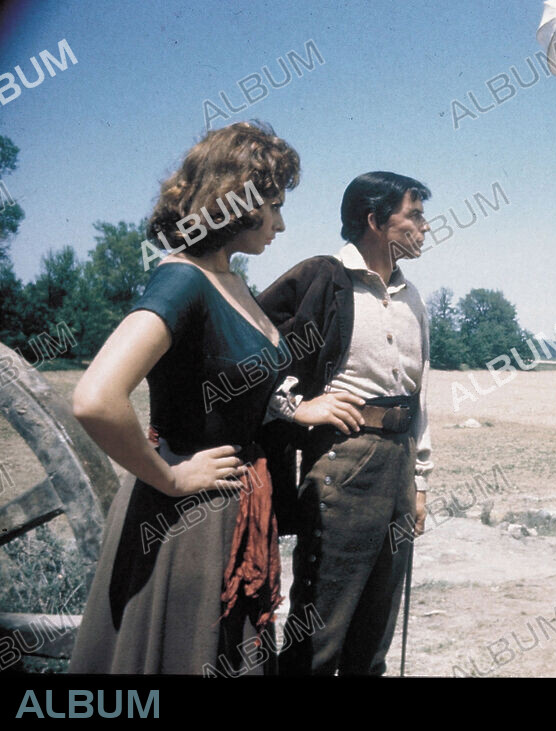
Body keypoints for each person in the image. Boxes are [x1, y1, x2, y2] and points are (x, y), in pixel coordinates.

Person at [69, 122, 301, 674]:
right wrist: (170, 477)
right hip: (187, 517)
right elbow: (96, 397)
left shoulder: (233, 281)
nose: (281, 223)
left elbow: (238, 385)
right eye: (272, 205)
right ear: (238, 202)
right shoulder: (183, 280)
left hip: (236, 509)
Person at [258, 171, 432, 675]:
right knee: (320, 634)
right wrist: (292, 406)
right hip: (344, 461)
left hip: (398, 465)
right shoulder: (323, 279)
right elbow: (248, 355)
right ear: (375, 220)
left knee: (375, 635)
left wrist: (419, 483)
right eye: (414, 216)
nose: (425, 227)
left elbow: (423, 396)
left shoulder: (412, 296)